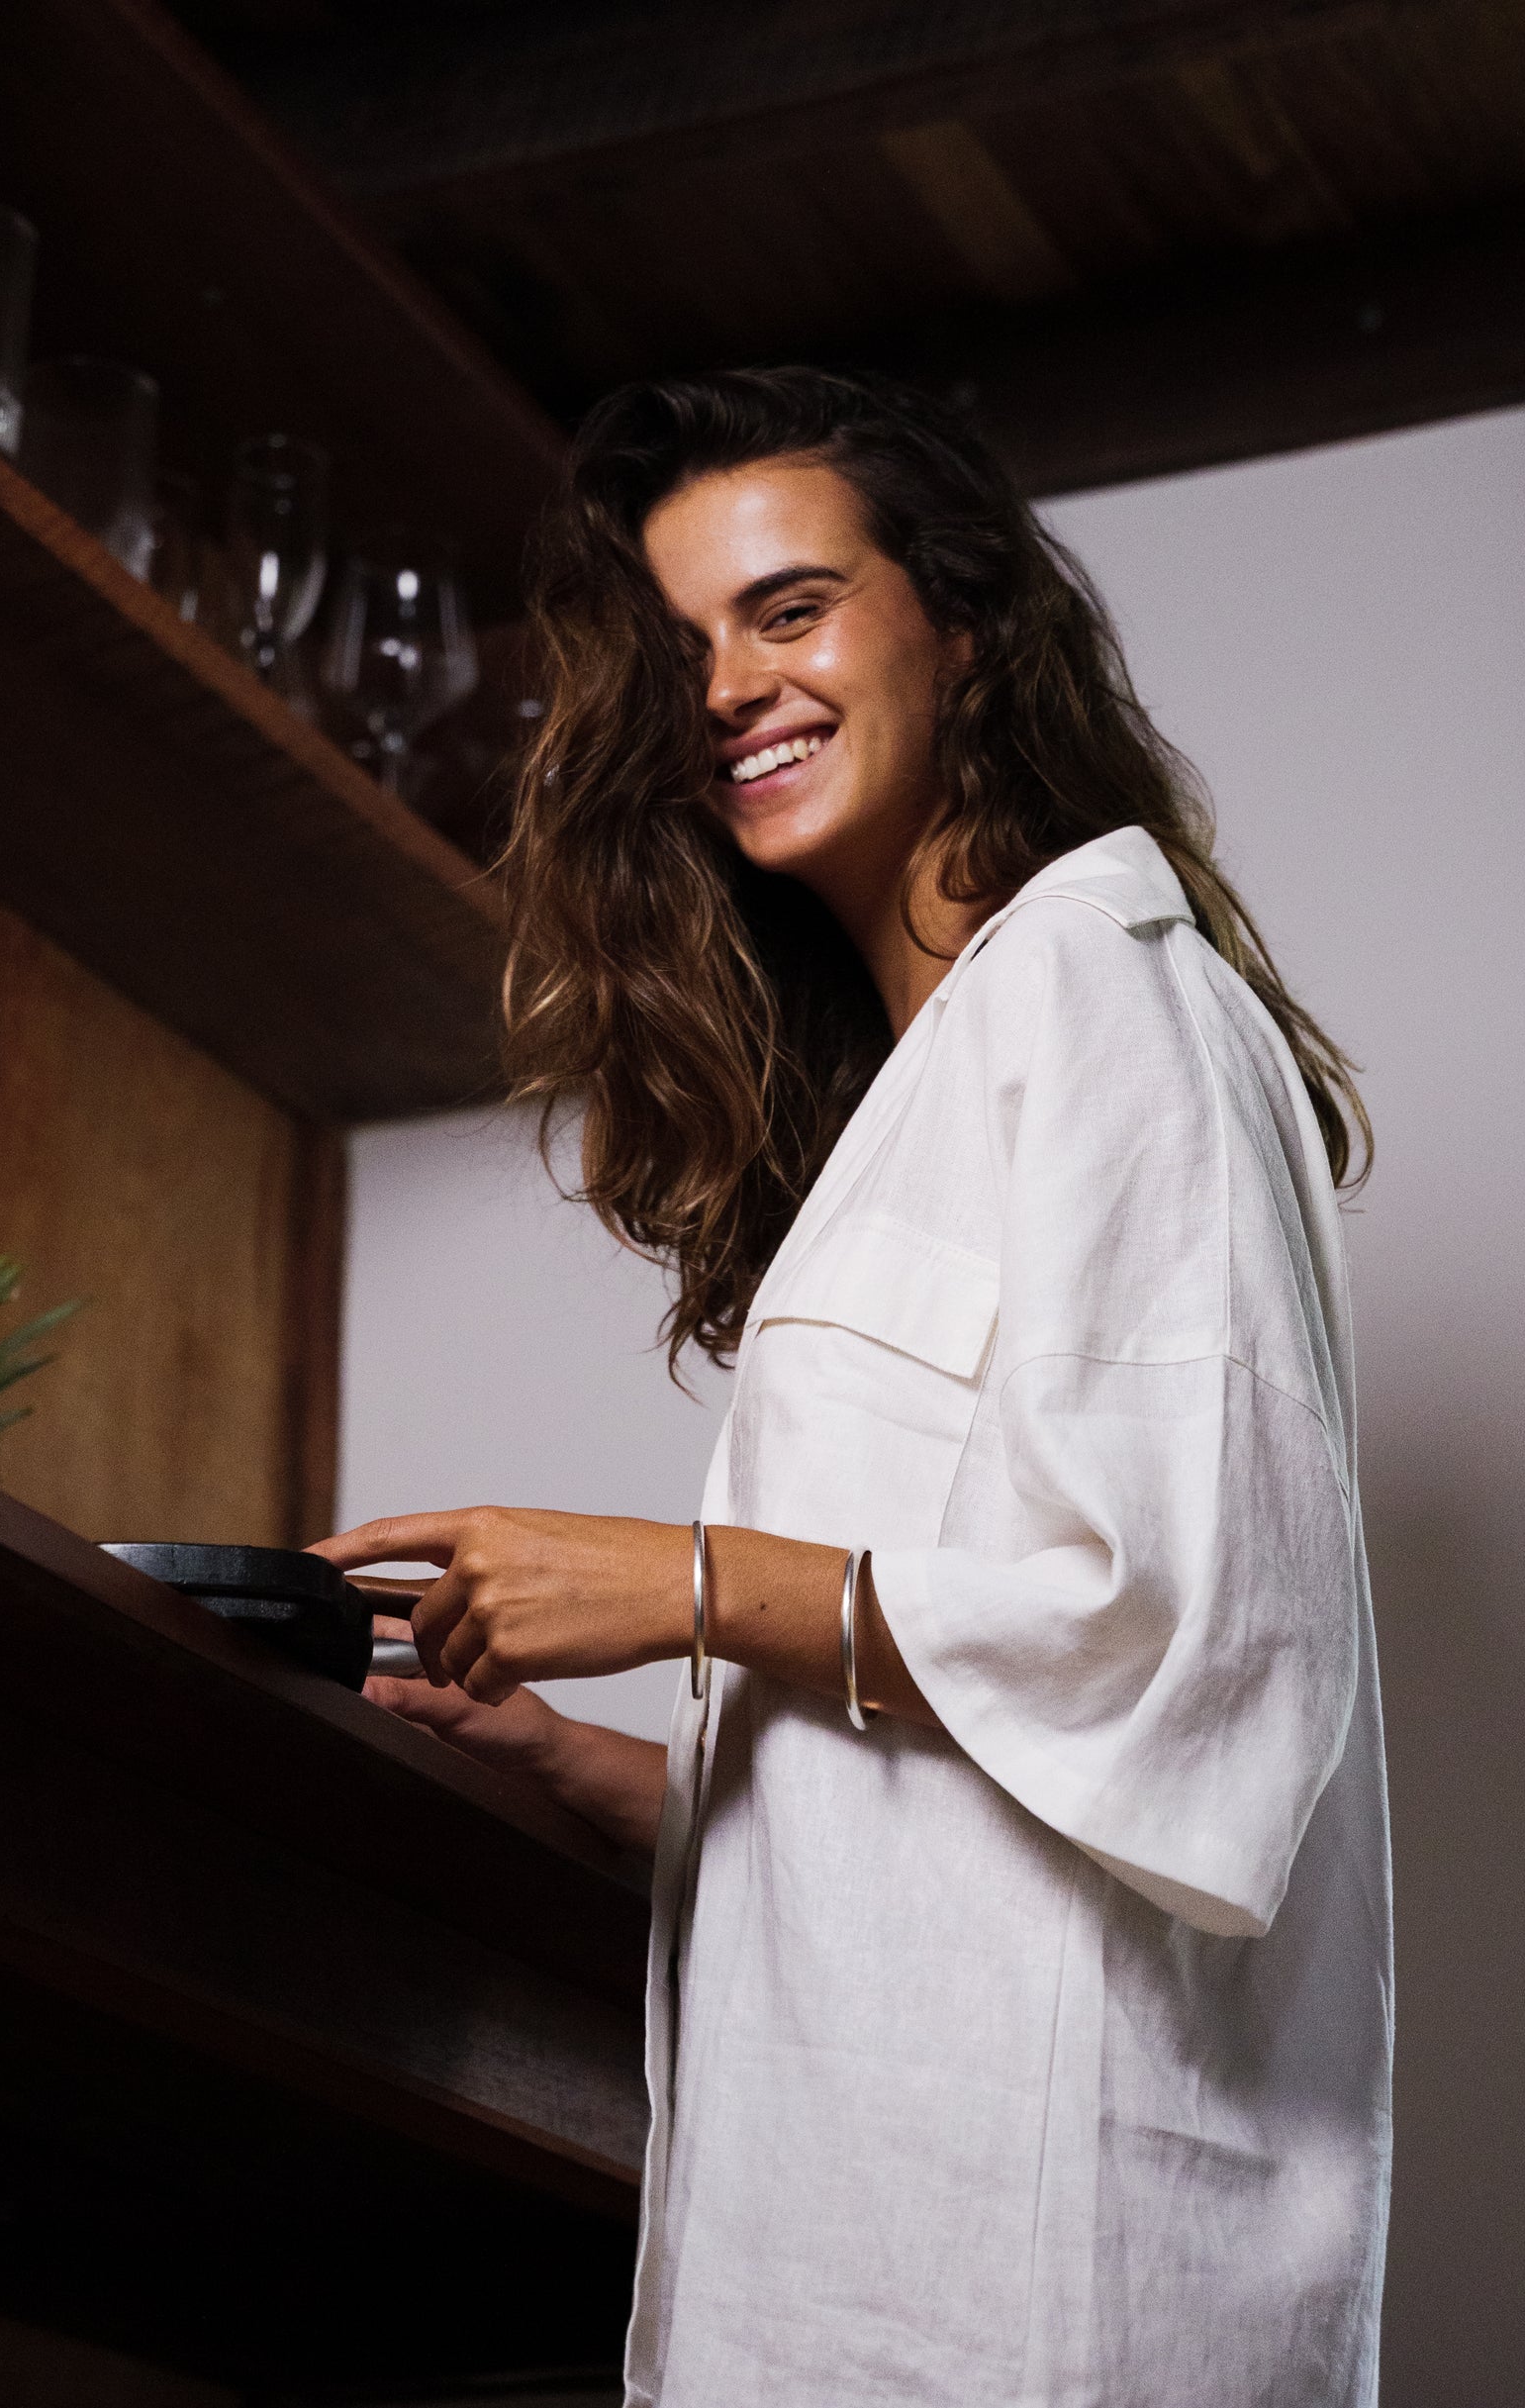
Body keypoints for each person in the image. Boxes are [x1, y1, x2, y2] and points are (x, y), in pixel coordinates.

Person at [313, 368, 1391, 2407]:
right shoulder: (953, 1067)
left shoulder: (1107, 994)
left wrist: (686, 1582)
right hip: (857, 2251)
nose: (725, 683)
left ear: (962, 625)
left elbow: (1197, 1643)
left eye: (787, 608)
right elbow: (938, 1813)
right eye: (683, 644)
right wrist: (590, 1763)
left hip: (1033, 2285)